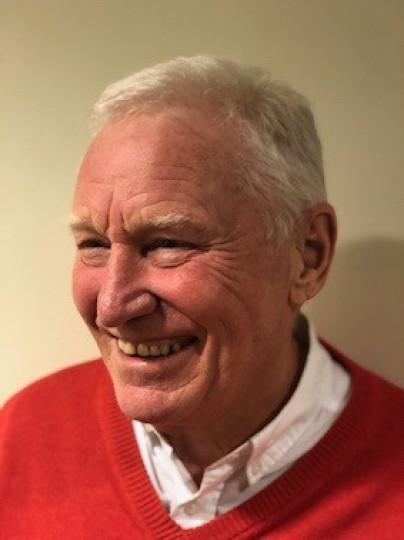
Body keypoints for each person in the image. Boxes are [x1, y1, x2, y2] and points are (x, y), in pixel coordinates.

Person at [1, 56, 403, 539]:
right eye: (94, 245)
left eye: (168, 243)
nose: (111, 306)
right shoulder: (22, 434)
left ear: (307, 255)